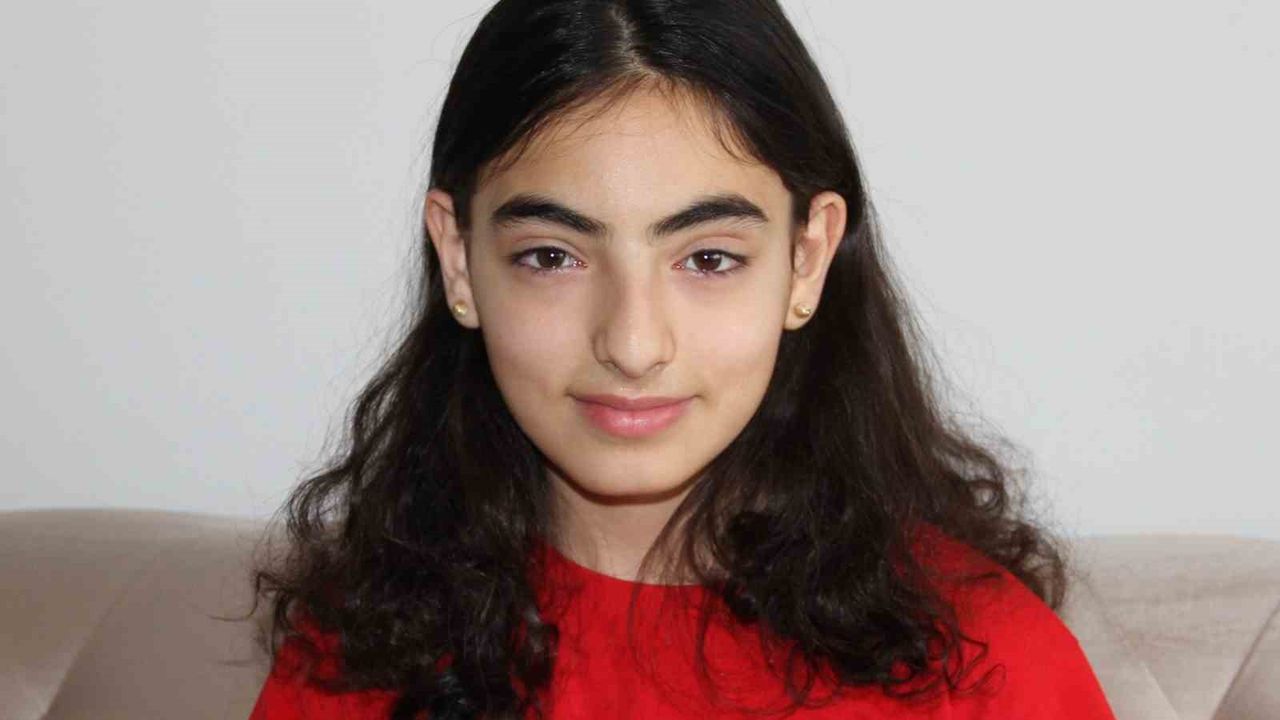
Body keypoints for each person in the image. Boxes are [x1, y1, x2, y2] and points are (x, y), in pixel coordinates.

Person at [246, 1, 1118, 718]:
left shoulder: (985, 666)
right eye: (552, 256)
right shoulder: (360, 657)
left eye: (707, 258)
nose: (633, 346)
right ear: (459, 260)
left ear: (806, 259)